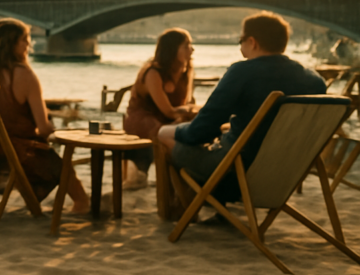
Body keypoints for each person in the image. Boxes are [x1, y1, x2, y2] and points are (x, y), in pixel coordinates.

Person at [158, 12, 326, 204]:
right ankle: (210, 205)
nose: (240, 47)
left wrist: (177, 129)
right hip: (286, 175)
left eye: (241, 41)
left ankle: (185, 206)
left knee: (164, 134)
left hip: (237, 173)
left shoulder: (242, 72)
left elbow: (200, 132)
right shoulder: (315, 82)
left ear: (252, 42)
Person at [0, 19, 90, 213]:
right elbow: (42, 128)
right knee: (57, 162)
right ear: (12, 43)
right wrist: (53, 129)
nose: (28, 45)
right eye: (24, 40)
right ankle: (81, 203)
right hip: (16, 153)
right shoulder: (25, 75)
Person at [121, 28, 197, 190]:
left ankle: (191, 175)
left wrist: (188, 113)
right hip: (143, 119)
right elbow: (168, 111)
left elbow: (185, 104)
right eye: (186, 45)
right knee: (166, 131)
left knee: (199, 127)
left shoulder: (186, 71)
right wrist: (187, 112)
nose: (192, 49)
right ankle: (182, 176)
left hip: (168, 119)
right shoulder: (153, 72)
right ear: (172, 49)